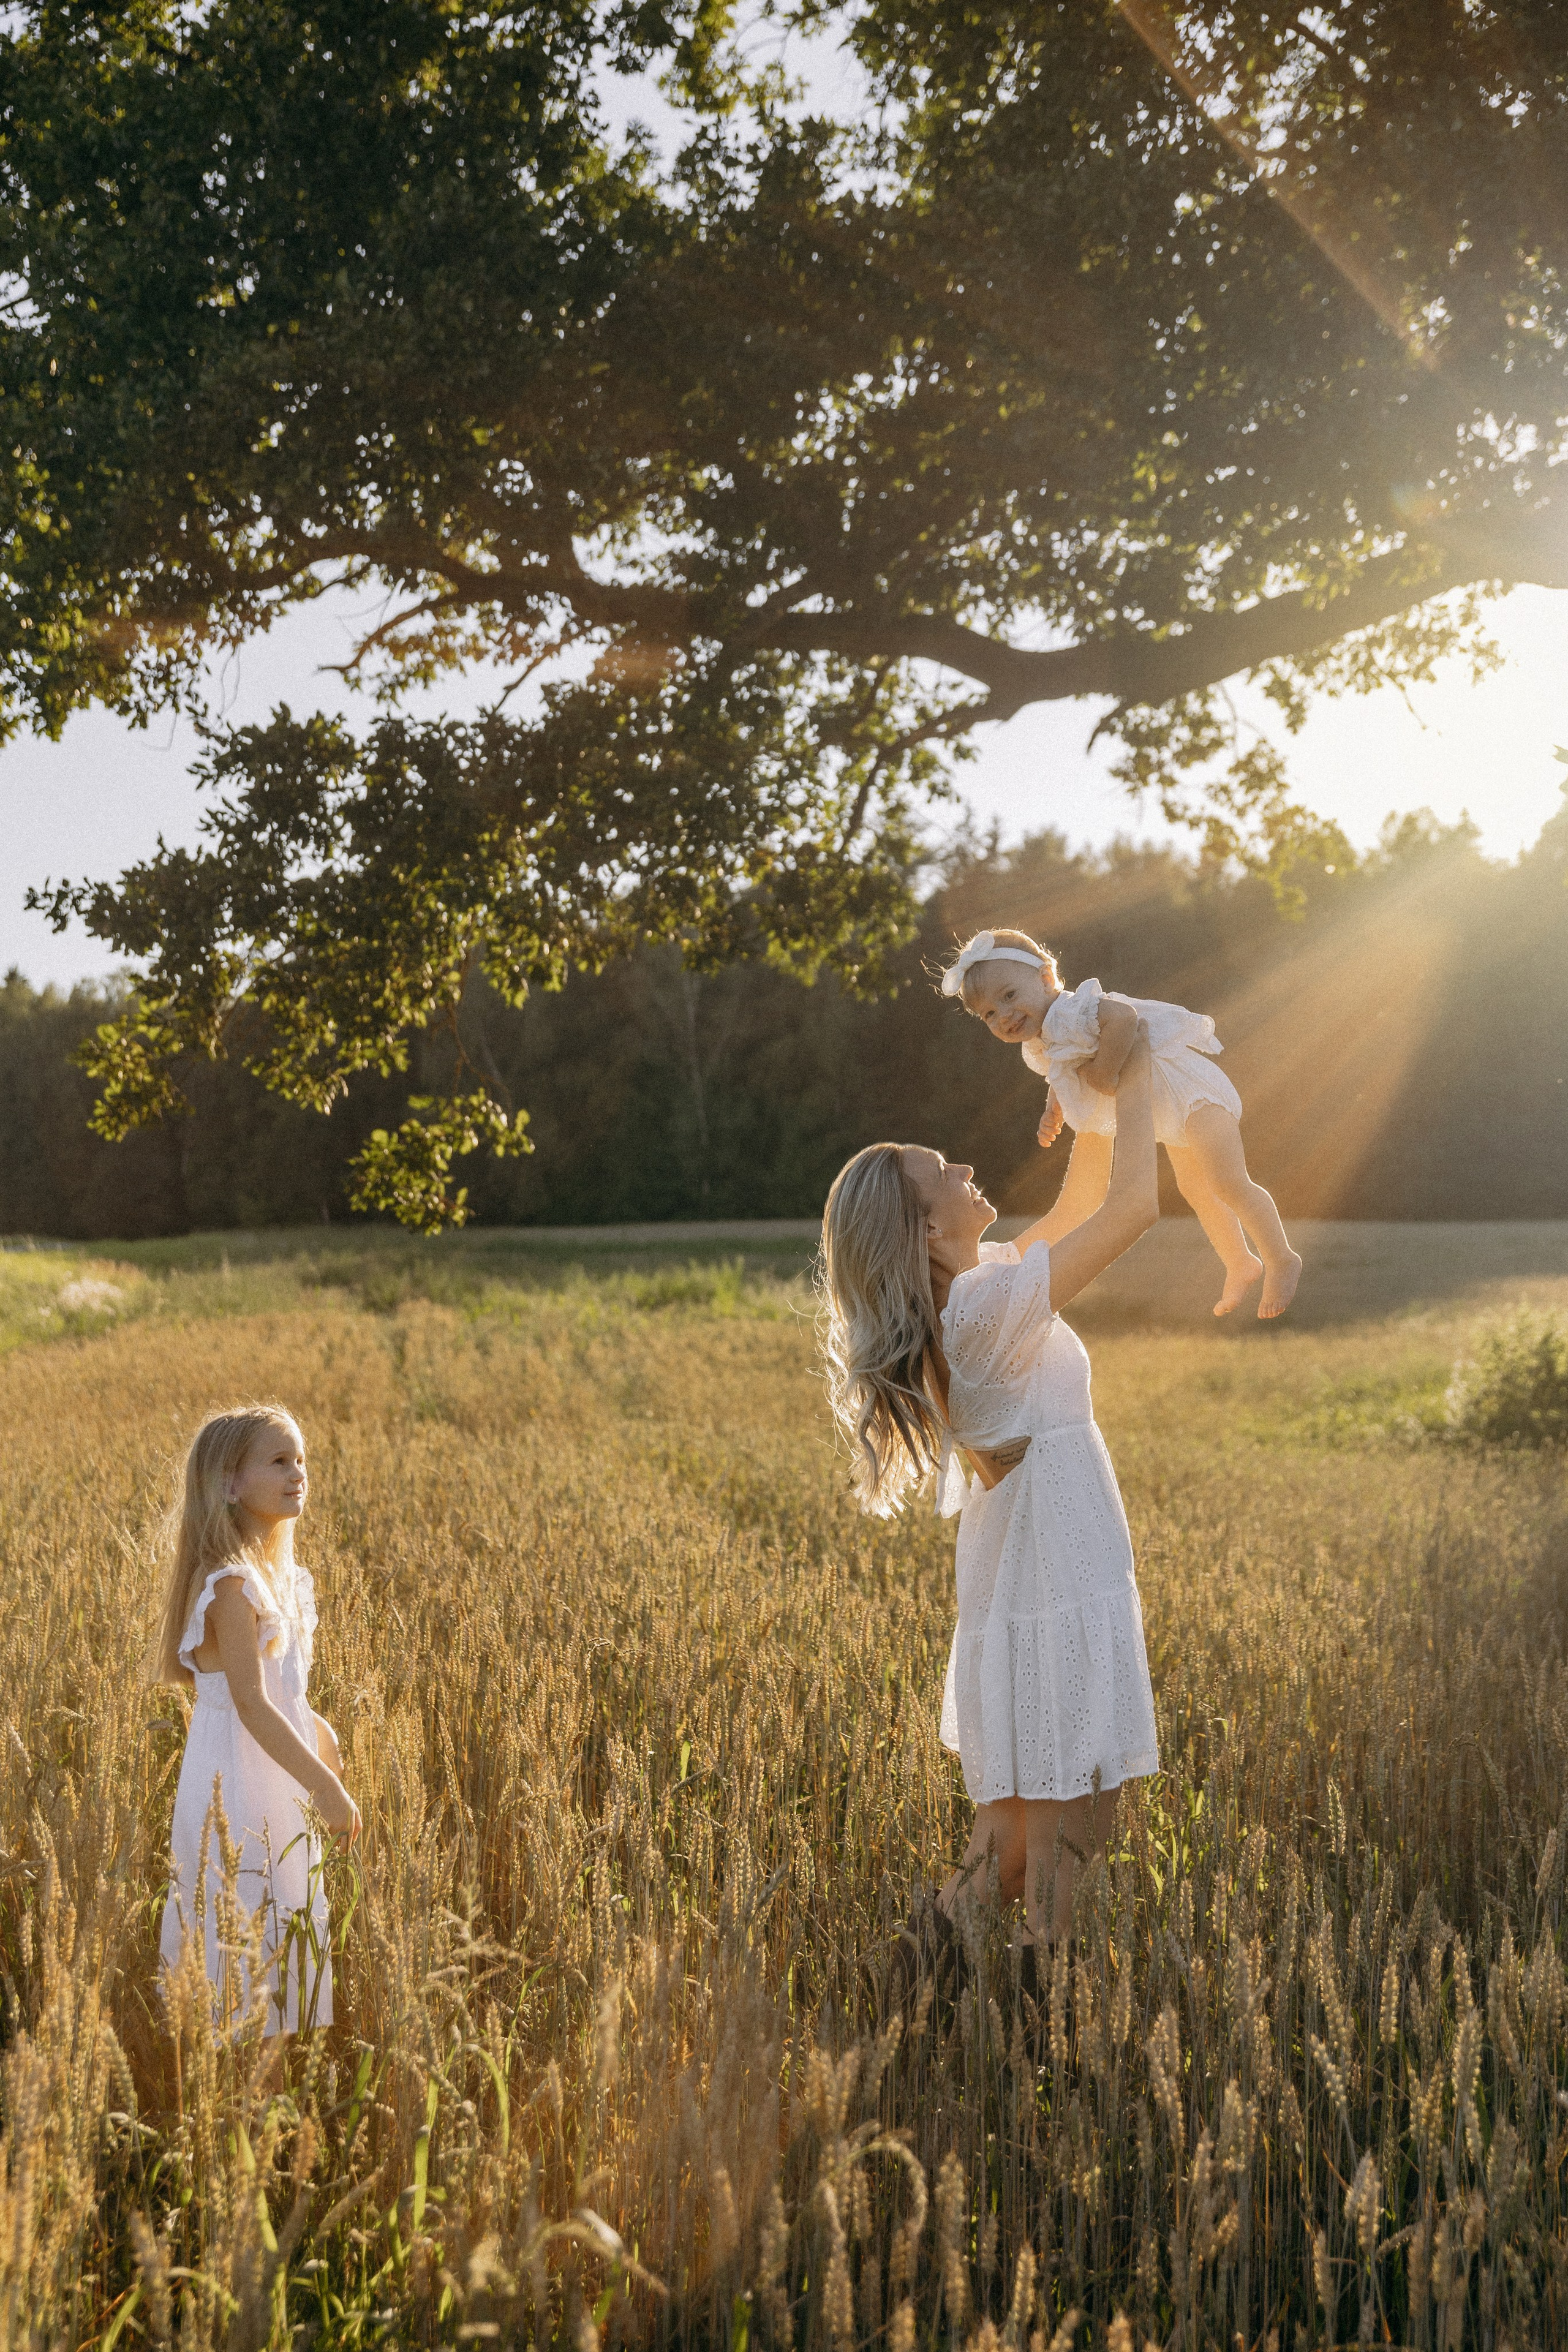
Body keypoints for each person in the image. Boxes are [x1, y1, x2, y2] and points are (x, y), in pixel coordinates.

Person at [819, 1022, 1160, 1966]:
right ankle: (1044, 2023)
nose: (968, 1165)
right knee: (1068, 1834)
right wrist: (1138, 1081)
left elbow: (1086, 1197)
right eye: (944, 1172)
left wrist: (1080, 1087)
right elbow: (1132, 1209)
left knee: (1008, 1854)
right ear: (929, 1230)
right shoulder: (978, 1313)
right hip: (1056, 1576)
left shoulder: (973, 1299)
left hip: (1031, 1576)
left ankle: (915, 1995)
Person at [941, 926, 1301, 1320]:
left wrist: (1106, 1071)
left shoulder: (1074, 1008)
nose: (1003, 1015)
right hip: (1166, 1112)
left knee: (1228, 1181)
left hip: (1190, 1092)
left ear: (1046, 978)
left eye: (1009, 996)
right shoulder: (1041, 1041)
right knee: (1196, 1188)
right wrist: (1053, 1111)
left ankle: (1281, 1257)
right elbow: (1063, 1070)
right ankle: (1240, 1262)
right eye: (989, 1013)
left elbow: (1124, 1018)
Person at [154, 1404, 359, 2034]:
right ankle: (240, 2111)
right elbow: (250, 1702)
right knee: (243, 1944)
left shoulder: (280, 1581)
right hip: (239, 1793)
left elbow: (285, 1693)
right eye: (279, 1461)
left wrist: (323, 1742)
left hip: (276, 1778)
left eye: (302, 1459)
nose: (299, 1472)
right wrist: (325, 1788)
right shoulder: (231, 1587)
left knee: (281, 1938)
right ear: (229, 1483)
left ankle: (261, 2111)